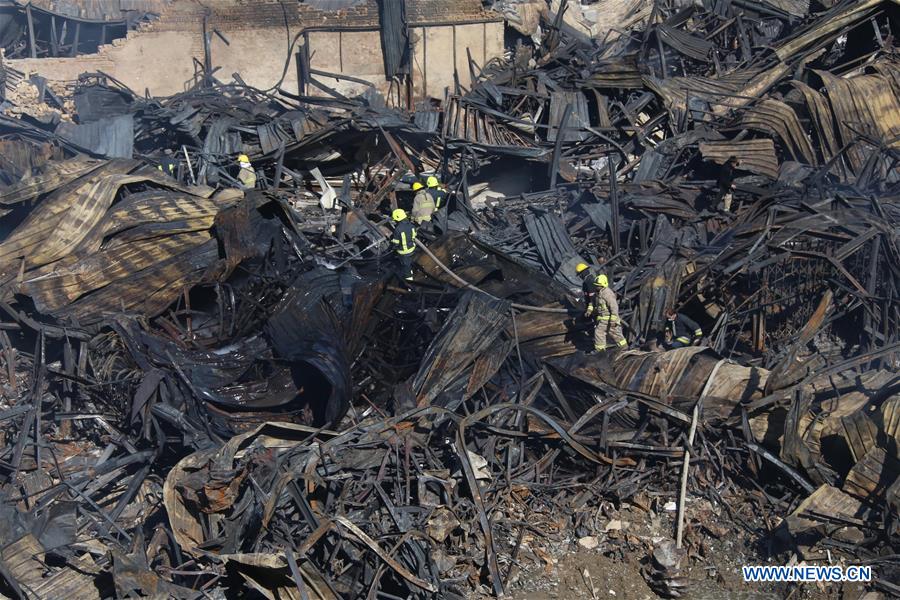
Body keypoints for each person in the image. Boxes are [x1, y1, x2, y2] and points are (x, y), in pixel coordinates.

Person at [585, 273, 627, 354]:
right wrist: (589, 310)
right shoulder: (598, 293)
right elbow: (592, 303)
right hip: (603, 319)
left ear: (603, 285)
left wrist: (613, 320)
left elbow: (614, 307)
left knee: (603, 333)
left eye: (597, 285)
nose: (596, 287)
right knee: (607, 334)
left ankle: (623, 349)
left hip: (608, 319)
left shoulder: (607, 293)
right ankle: (602, 351)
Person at [390, 208, 417, 281]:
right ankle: (411, 271)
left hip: (404, 252)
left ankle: (409, 282)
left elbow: (396, 243)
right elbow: (414, 236)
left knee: (406, 267)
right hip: (412, 248)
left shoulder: (398, 229)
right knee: (409, 262)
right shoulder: (412, 225)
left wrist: (392, 248)